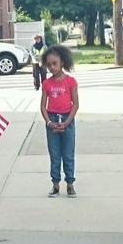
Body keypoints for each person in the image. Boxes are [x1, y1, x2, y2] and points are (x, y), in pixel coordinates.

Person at [39, 44, 79, 197]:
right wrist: (49, 122)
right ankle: (55, 184)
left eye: (54, 63)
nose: (52, 67)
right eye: (48, 65)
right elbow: (43, 106)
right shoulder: (47, 84)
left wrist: (68, 121)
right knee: (55, 154)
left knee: (68, 153)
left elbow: (75, 104)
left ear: (63, 62)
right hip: (52, 119)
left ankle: (70, 184)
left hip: (67, 119)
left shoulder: (71, 82)